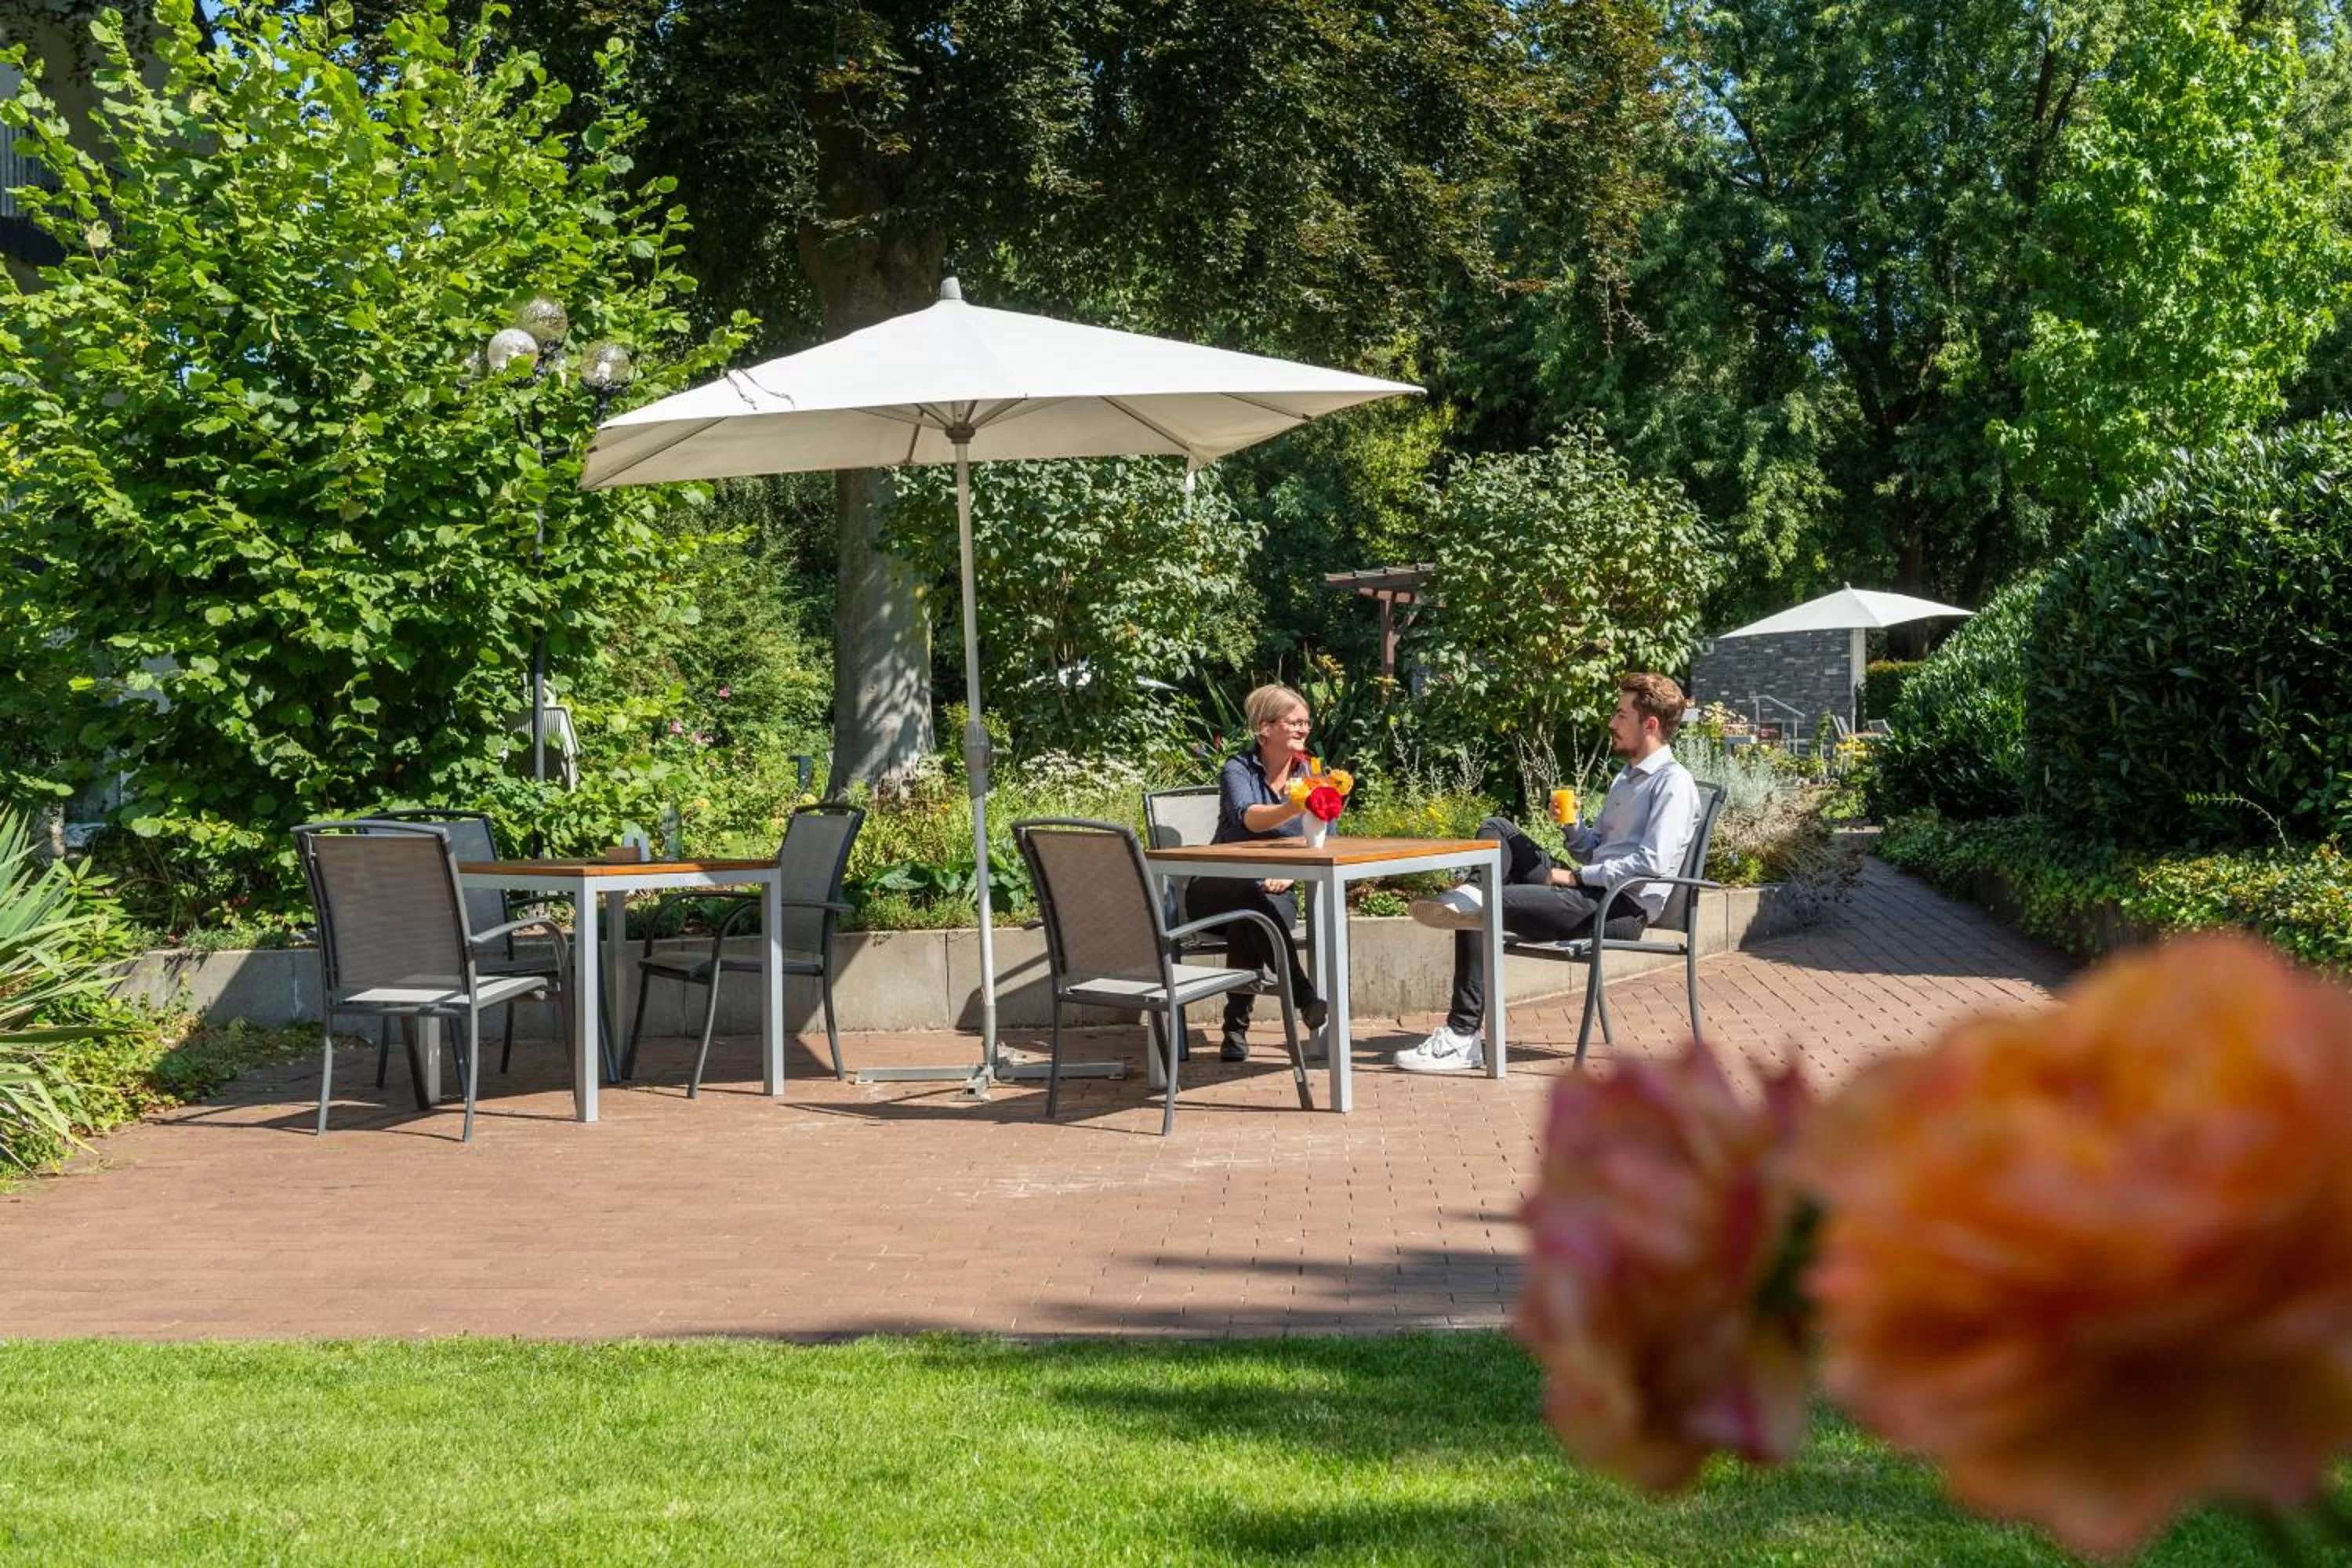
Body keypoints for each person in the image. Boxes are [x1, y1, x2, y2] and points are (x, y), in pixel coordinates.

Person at [1395, 672, 1701, 1074]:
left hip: (1618, 908)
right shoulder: (1626, 778)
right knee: (1498, 829)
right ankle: (1472, 893)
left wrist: (1575, 878)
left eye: (1620, 714)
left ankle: (1461, 1037)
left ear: (1650, 724)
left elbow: (1652, 864)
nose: (1611, 722)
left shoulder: (1673, 784)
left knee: (1483, 907)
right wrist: (1572, 828)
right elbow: (1595, 851)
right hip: (1592, 891)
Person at [1185, 684, 1332, 1060]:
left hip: (1274, 892)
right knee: (1249, 898)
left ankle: (1235, 1028)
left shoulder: (1313, 770)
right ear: (1264, 728)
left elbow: (1326, 833)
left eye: (1306, 723)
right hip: (1215, 889)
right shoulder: (1238, 769)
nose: (1303, 729)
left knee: (1251, 918)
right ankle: (1304, 996)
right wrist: (1297, 805)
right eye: (1294, 722)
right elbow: (1248, 817)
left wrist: (1294, 875)